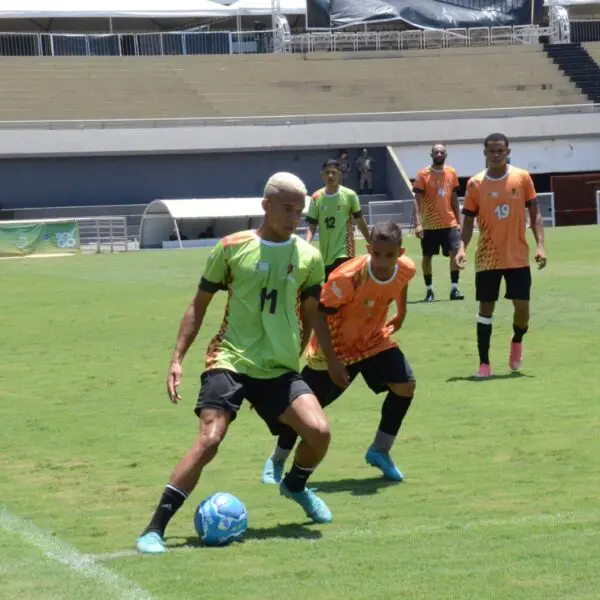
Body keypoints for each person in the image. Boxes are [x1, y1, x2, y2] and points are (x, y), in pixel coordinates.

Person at [136, 173, 333, 555]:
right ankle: (155, 528)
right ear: (266, 205)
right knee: (209, 439)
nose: (294, 217)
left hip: (278, 367)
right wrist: (177, 358)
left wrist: (297, 349)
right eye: (287, 208)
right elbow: (199, 305)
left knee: (319, 432)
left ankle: (294, 485)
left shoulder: (309, 256)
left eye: (299, 211)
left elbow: (311, 312)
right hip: (230, 359)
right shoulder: (231, 248)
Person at [261, 221, 417, 485]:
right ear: (369, 249)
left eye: (390, 255)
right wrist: (333, 361)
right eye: (377, 254)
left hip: (372, 341)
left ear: (400, 253)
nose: (382, 261)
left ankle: (380, 450)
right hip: (332, 348)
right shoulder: (347, 278)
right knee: (304, 409)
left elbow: (400, 283)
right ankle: (277, 459)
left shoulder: (406, 268)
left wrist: (401, 312)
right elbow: (318, 316)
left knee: (405, 385)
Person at [455, 133, 547, 378]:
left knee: (522, 308)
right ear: (484, 153)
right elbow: (467, 220)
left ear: (508, 151)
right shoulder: (475, 183)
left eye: (500, 151)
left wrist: (540, 246)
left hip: (517, 255)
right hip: (488, 256)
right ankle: (484, 364)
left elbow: (535, 214)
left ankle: (517, 340)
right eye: (491, 151)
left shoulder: (522, 178)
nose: (496, 155)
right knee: (486, 308)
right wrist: (462, 247)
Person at [413, 144, 464, 302]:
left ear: (446, 154)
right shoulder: (423, 174)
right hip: (429, 224)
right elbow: (417, 201)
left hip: (449, 222)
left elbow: (454, 199)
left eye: (442, 152)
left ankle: (454, 289)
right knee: (427, 257)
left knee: (454, 254)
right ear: (431, 154)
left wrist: (459, 221)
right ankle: (429, 290)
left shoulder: (451, 172)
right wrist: (418, 223)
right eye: (436, 152)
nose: (439, 154)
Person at [306, 158, 371, 280]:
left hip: (345, 252)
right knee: (329, 294)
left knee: (343, 291)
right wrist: (307, 243)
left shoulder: (350, 195)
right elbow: (312, 225)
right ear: (322, 175)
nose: (330, 176)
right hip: (325, 255)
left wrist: (370, 241)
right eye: (327, 172)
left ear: (340, 175)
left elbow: (360, 220)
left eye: (334, 172)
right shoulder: (316, 197)